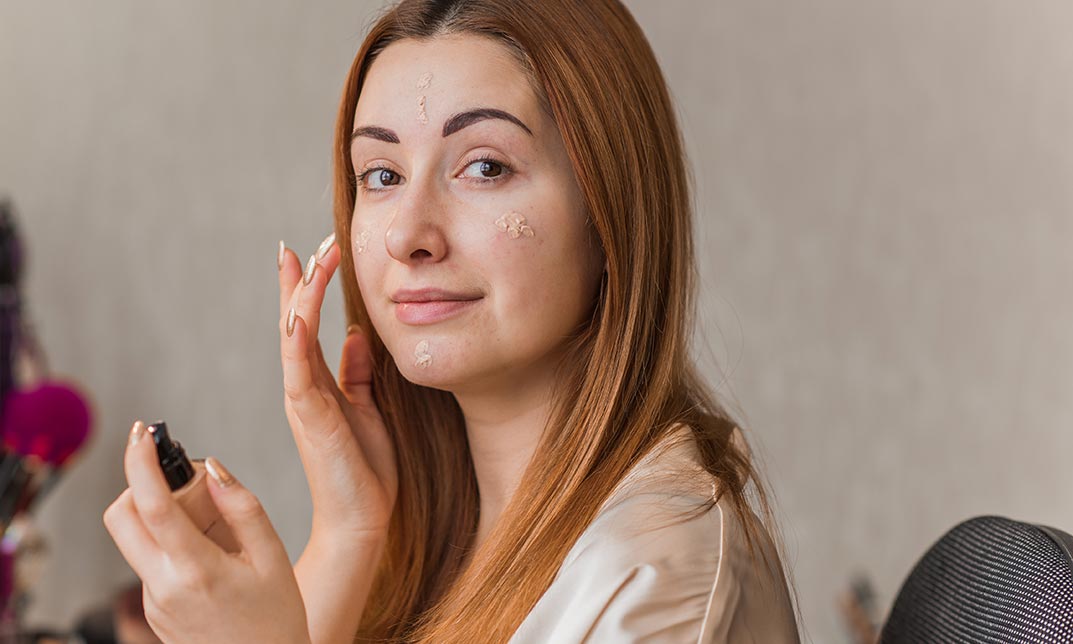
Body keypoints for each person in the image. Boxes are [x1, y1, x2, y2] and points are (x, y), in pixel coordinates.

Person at [103, 0, 800, 642]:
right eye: (381, 175)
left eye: (485, 167)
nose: (409, 233)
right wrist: (349, 531)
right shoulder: (439, 542)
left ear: (611, 211)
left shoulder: (656, 568)